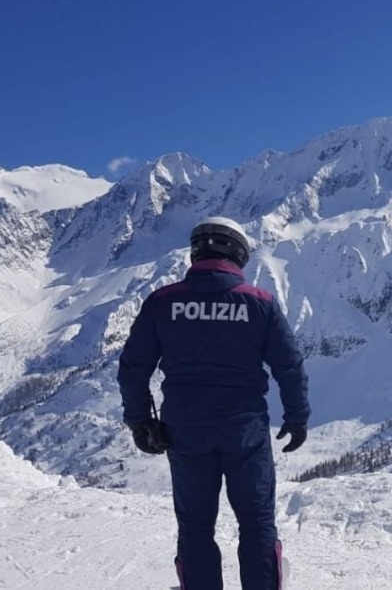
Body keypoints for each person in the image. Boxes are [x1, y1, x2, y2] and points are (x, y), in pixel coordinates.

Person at [118, 216, 310, 590]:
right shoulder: (260, 303)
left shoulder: (162, 301)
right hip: (245, 432)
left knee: (195, 526)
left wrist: (140, 420)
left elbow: (133, 368)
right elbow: (289, 366)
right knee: (256, 523)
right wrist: (297, 416)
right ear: (238, 253)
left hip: (185, 431)